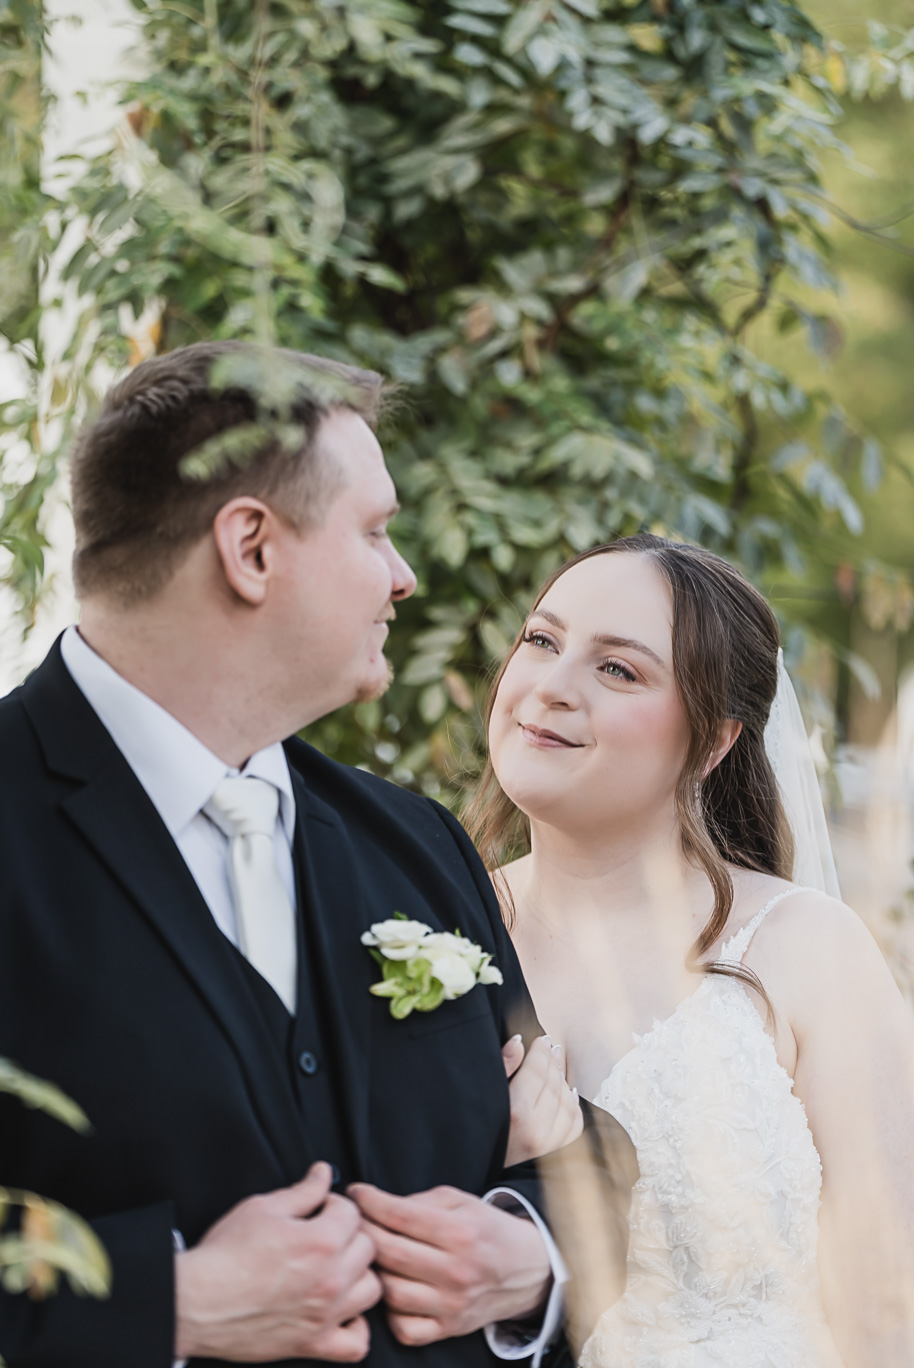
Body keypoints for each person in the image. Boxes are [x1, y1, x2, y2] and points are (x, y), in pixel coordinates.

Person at [0, 340, 610, 1368]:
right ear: (251, 549)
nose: (402, 577)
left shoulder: (413, 843)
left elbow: (574, 1154)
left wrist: (533, 1253)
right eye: (374, 532)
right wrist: (170, 1300)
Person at [466, 534, 914, 1367]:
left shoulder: (806, 951)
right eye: (542, 640)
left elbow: (888, 1315)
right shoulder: (436, 933)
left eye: (618, 670)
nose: (551, 688)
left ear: (713, 742)